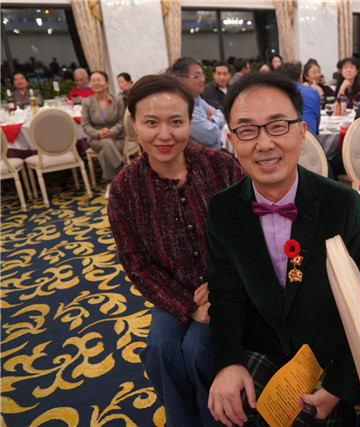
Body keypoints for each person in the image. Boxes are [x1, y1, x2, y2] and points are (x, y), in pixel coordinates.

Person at [205, 72, 360, 427]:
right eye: (247, 130)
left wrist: (339, 385)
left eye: (277, 126)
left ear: (302, 133)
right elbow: (226, 296)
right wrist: (228, 362)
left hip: (328, 354)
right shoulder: (223, 208)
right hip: (264, 343)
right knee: (235, 413)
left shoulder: (342, 204)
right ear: (231, 141)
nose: (264, 144)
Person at [108, 74, 245, 427]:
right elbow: (136, 263)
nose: (164, 135)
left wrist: (222, 285)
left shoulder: (221, 168)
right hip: (171, 290)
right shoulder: (125, 189)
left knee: (199, 350)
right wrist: (187, 305)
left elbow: (249, 234)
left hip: (229, 286)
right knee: (160, 351)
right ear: (134, 123)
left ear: (189, 121)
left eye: (176, 122)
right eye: (151, 123)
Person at [81, 71, 125, 196]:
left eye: (99, 80)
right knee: (105, 143)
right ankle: (122, 170)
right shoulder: (87, 102)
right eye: (93, 80)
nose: (96, 83)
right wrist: (98, 133)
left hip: (117, 137)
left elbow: (122, 121)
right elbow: (85, 124)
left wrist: (112, 131)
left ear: (107, 83)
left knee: (104, 149)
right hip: (96, 139)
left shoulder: (117, 100)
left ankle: (111, 183)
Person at [170, 57, 225, 151]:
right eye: (196, 76)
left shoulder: (197, 98)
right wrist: (213, 122)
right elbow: (212, 137)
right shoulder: (183, 106)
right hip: (205, 156)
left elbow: (220, 114)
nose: (202, 80)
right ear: (181, 80)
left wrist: (211, 121)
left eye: (202, 76)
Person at [279, 63, 321, 135]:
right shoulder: (313, 91)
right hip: (312, 138)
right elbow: (317, 123)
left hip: (288, 137)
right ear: (300, 77)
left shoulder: (279, 94)